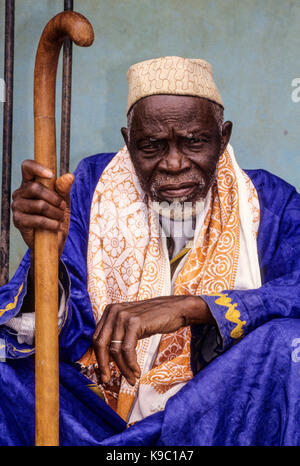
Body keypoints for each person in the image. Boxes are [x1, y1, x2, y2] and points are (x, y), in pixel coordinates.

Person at [1, 56, 300, 446]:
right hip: (99, 422)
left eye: (194, 142)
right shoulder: (90, 189)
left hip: (215, 420)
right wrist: (48, 259)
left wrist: (192, 307)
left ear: (223, 137)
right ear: (128, 142)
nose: (173, 164)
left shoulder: (270, 203)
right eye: (152, 146)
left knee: (289, 342)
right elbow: (55, 337)